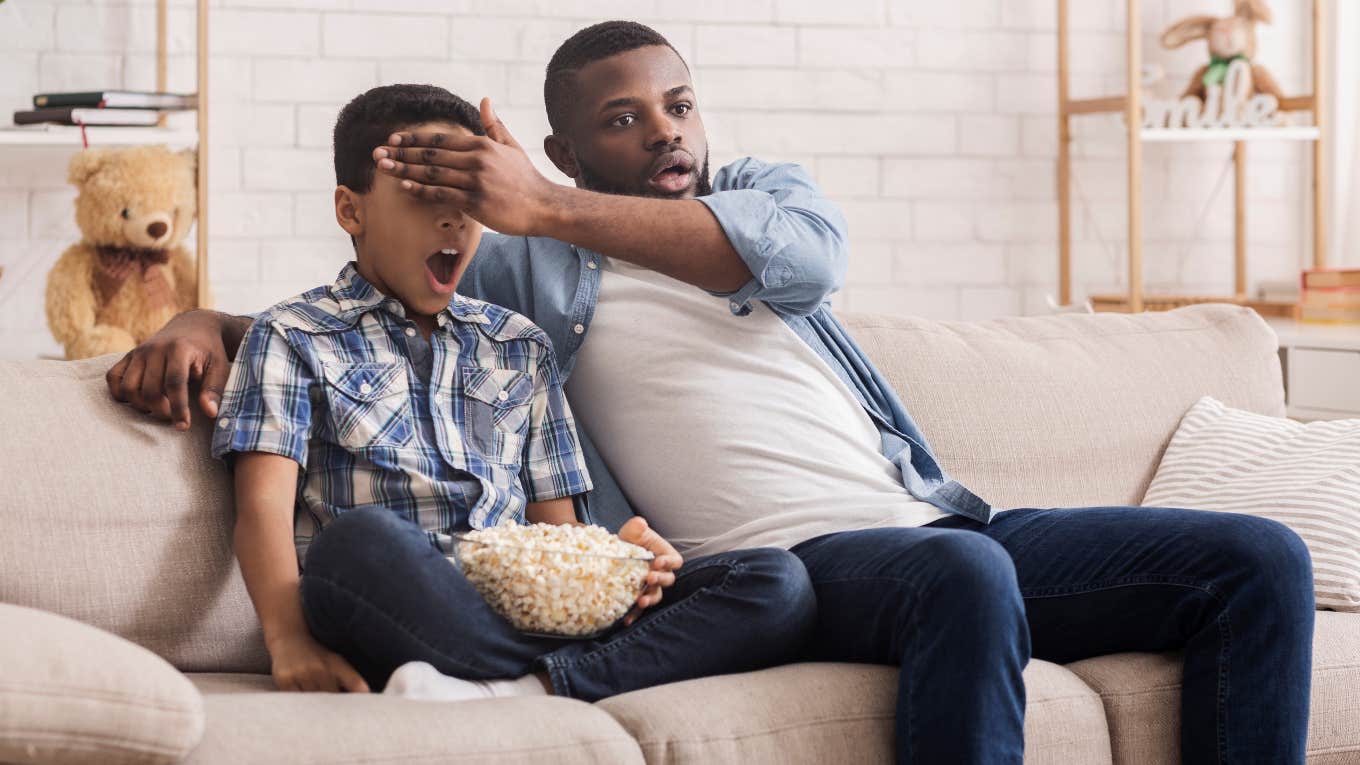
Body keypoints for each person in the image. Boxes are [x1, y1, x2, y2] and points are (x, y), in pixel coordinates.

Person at [110, 21, 1315, 764]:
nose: (666, 135)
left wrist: (548, 200)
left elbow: (804, 261)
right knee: (958, 576)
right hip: (804, 561)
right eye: (621, 124)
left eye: (676, 106)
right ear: (565, 150)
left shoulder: (762, 200)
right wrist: (198, 318)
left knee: (1256, 560)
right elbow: (376, 310)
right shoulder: (530, 265)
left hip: (945, 520)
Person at [208, 83, 815, 701]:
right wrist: (289, 642)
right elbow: (261, 514)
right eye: (425, 197)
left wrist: (614, 563)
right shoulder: (292, 336)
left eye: (469, 198)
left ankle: (527, 688)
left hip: (526, 607)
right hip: (400, 595)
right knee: (357, 544)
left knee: (774, 580)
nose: (452, 219)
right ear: (351, 210)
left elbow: (555, 535)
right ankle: (580, 667)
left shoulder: (518, 344)